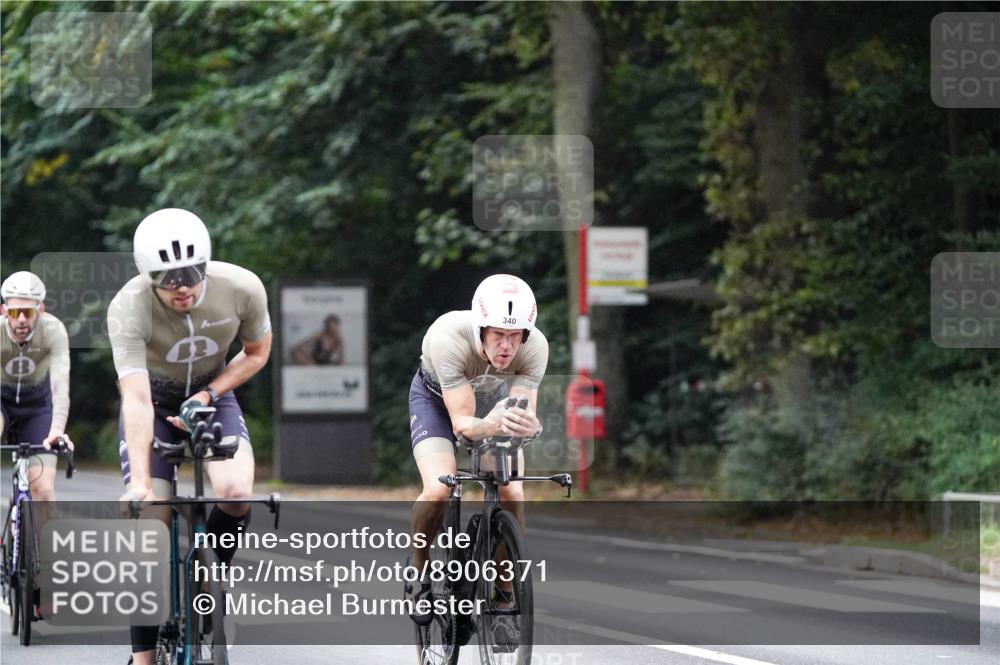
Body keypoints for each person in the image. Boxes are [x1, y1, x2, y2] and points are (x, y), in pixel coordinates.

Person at [108, 208, 272, 665]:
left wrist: (208, 393)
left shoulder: (241, 288)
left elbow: (257, 353)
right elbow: (136, 399)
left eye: (192, 272)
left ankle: (211, 578)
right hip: (153, 404)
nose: (183, 285)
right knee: (150, 529)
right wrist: (140, 482)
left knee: (237, 492)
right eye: (168, 278)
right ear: (147, 275)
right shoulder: (129, 305)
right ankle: (141, 658)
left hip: (209, 394)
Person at [407, 273, 546, 625]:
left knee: (512, 490)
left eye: (515, 336)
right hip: (438, 403)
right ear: (480, 330)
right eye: (498, 334)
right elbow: (463, 424)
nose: (506, 346)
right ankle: (420, 570)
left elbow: (522, 410)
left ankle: (504, 593)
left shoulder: (536, 349)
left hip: (491, 402)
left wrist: (530, 424)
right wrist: (494, 424)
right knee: (440, 487)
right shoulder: (447, 339)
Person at [0, 271, 74, 503]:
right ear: (4, 311)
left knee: (42, 489)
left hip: (38, 407)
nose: (21, 319)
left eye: (28, 312)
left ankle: (44, 539)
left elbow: (61, 386)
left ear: (40, 311)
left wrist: (57, 429)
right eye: (14, 312)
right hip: (1, 400)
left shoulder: (53, 330)